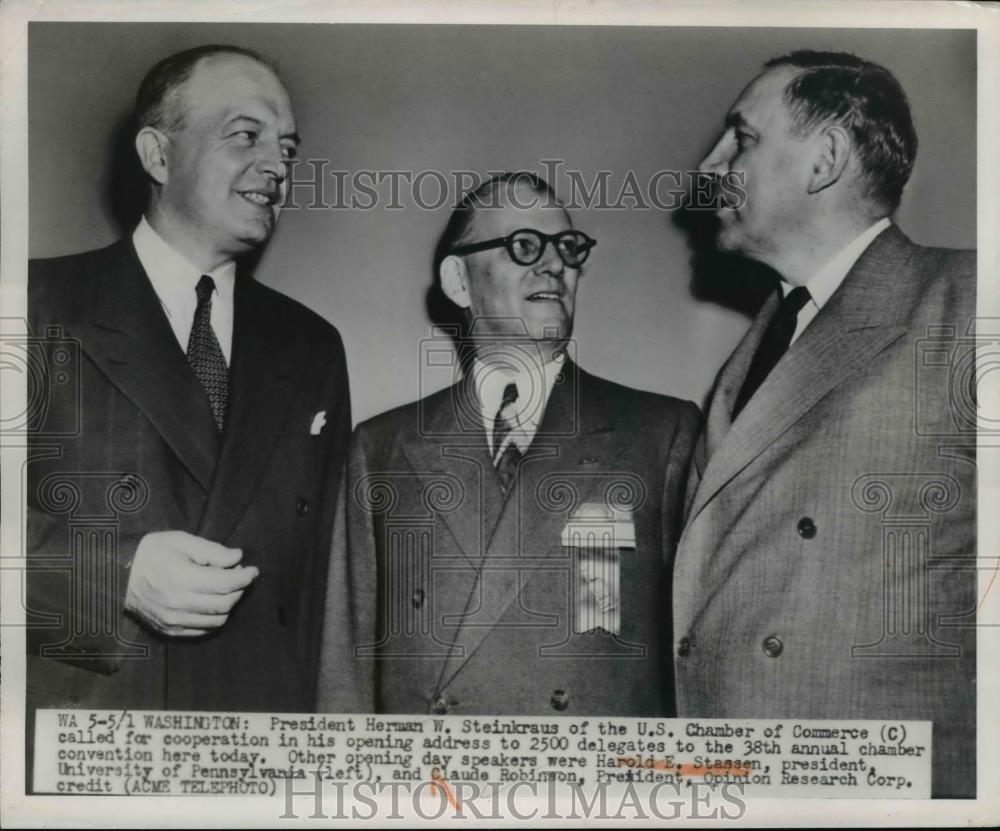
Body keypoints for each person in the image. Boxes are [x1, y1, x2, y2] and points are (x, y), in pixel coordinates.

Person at [674, 51, 975, 798]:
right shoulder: (760, 347)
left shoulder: (967, 300)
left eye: (740, 138)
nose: (708, 169)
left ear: (826, 159)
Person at [27, 44, 351, 714]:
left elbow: (324, 582)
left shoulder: (312, 345)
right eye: (246, 135)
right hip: (78, 739)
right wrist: (111, 575)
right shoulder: (33, 304)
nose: (277, 167)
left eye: (288, 148)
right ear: (157, 154)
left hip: (255, 746)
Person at [318, 172, 700, 716]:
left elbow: (698, 659)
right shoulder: (382, 449)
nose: (555, 265)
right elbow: (345, 669)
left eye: (567, 247)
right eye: (525, 245)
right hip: (430, 788)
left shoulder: (662, 436)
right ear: (458, 281)